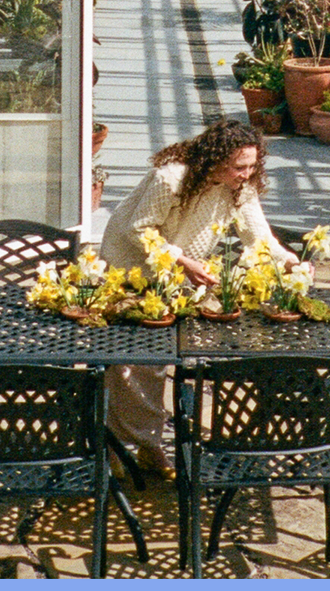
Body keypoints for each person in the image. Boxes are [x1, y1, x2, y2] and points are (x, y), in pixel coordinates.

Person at [100, 119, 305, 474]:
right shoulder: (171, 178)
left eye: (253, 165)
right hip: (129, 263)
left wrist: (290, 261)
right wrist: (183, 261)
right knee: (126, 362)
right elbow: (138, 229)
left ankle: (146, 445)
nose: (247, 173)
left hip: (176, 274)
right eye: (239, 167)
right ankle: (116, 447)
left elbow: (259, 238)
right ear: (214, 162)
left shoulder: (241, 188)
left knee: (154, 362)